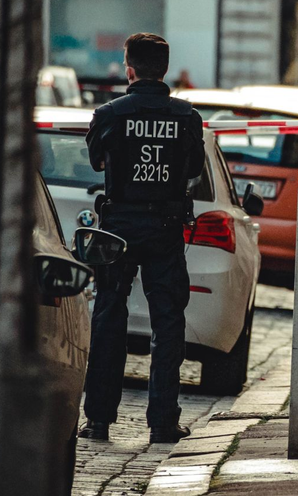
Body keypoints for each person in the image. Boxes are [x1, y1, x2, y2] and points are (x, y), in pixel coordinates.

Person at [78, 33, 205, 443]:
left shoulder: (110, 114)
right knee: (168, 323)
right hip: (165, 227)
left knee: (108, 316)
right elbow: (193, 170)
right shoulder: (186, 117)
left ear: (129, 69)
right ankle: (163, 423)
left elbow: (96, 161)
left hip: (119, 225)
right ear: (164, 70)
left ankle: (98, 420)